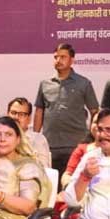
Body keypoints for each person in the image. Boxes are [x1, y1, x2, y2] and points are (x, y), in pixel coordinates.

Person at [34, 43, 98, 176]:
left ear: (72, 60)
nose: (58, 60)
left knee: (73, 182)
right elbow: (39, 111)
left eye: (63, 57)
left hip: (75, 143)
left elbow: (94, 111)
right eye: (56, 57)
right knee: (51, 182)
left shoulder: (84, 83)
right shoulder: (45, 84)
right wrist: (35, 137)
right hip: (50, 144)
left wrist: (92, 137)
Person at [6, 97, 50, 168]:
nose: (16, 117)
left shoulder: (38, 140)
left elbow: (44, 168)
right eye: (13, 113)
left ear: (29, 119)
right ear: (7, 115)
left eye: (21, 114)